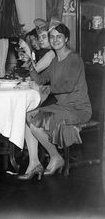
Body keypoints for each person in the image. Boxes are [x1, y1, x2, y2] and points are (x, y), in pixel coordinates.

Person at [18, 20, 92, 180]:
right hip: (62, 106)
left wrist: (48, 89)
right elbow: (40, 79)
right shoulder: (54, 61)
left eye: (59, 36)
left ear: (66, 39)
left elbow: (68, 85)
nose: (55, 39)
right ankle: (40, 160)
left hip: (78, 109)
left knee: (35, 122)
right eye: (52, 37)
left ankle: (55, 157)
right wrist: (30, 63)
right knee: (28, 115)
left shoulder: (74, 58)